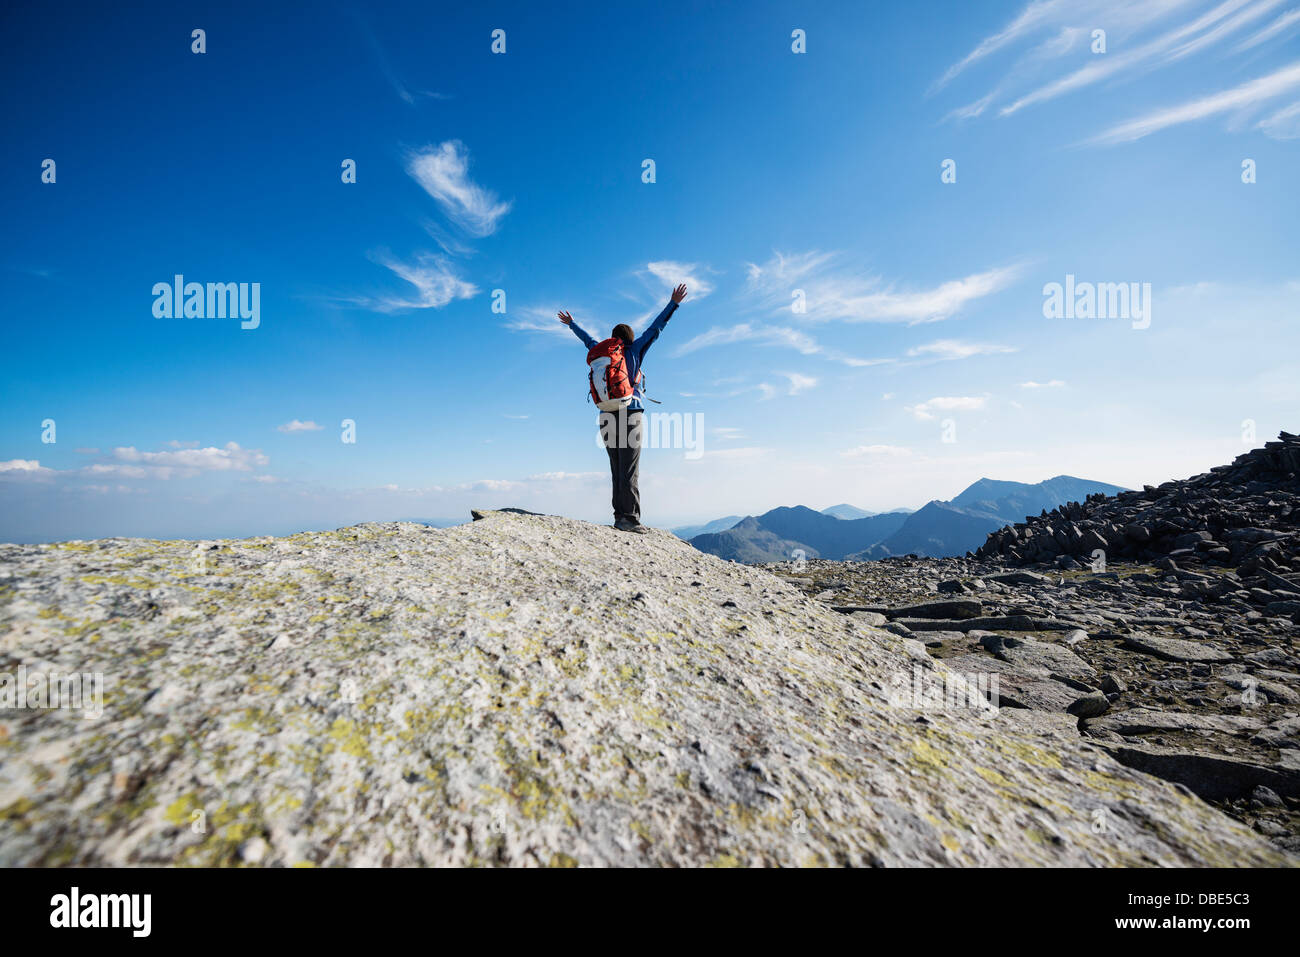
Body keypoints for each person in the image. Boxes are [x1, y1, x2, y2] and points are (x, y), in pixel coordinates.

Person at [559, 283, 688, 533]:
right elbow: (655, 328)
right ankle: (629, 519)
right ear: (630, 337)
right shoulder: (635, 350)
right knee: (630, 469)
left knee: (616, 468)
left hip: (606, 413)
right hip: (631, 414)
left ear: (613, 339)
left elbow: (587, 339)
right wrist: (673, 303)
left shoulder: (602, 352)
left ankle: (620, 517)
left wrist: (572, 324)